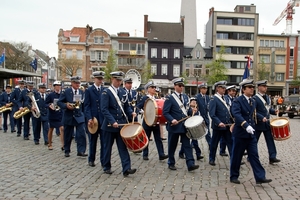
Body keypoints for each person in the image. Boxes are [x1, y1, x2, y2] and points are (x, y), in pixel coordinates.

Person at [230, 79, 272, 184]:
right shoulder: (237, 101)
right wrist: (245, 125)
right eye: (249, 87)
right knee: (237, 156)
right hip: (240, 133)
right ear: (243, 89)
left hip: (251, 134)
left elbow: (253, 114)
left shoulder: (253, 101)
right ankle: (234, 176)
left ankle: (260, 177)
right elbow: (237, 114)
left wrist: (261, 118)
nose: (252, 89)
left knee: (254, 155)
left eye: (253, 87)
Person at [100, 71, 137, 176]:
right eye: (117, 80)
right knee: (107, 147)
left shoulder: (122, 92)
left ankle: (126, 168)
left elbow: (126, 107)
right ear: (112, 79)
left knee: (122, 147)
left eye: (120, 80)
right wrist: (112, 121)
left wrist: (131, 113)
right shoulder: (106, 92)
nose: (119, 82)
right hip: (109, 126)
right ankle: (106, 166)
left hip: (121, 125)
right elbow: (104, 109)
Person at [162, 77, 199, 171]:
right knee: (172, 145)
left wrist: (192, 110)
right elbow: (165, 112)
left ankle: (190, 164)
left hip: (184, 126)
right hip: (174, 126)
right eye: (179, 85)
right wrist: (172, 120)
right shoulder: (169, 98)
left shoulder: (185, 97)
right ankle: (171, 162)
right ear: (175, 86)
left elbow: (186, 111)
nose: (181, 87)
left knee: (187, 145)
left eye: (182, 85)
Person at [136, 81, 168, 161]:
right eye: (152, 87)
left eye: (154, 87)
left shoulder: (156, 99)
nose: (154, 89)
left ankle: (161, 154)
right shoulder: (145, 98)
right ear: (148, 89)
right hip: (147, 121)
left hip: (155, 121)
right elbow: (137, 107)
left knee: (158, 139)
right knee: (146, 138)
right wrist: (142, 111)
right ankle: (145, 154)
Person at [57, 76, 87, 157]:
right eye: (76, 83)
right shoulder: (66, 92)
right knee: (68, 134)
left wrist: (84, 115)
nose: (78, 84)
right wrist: (66, 106)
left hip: (79, 115)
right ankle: (67, 150)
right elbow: (59, 102)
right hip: (69, 115)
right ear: (72, 83)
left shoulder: (81, 92)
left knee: (81, 134)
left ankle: (81, 151)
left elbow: (83, 104)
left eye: (78, 83)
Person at [253, 80, 280, 164]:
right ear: (259, 87)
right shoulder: (255, 98)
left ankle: (272, 157)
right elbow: (253, 111)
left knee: (270, 140)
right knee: (254, 141)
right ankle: (251, 156)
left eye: (266, 86)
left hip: (267, 123)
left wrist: (274, 111)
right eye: (264, 86)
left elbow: (267, 109)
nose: (265, 88)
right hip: (258, 123)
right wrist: (261, 117)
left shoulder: (267, 97)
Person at [208, 81, 233, 166]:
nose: (224, 89)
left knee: (230, 143)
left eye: (224, 88)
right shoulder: (213, 99)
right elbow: (212, 114)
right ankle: (211, 158)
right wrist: (218, 122)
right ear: (217, 88)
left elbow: (228, 111)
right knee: (214, 143)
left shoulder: (225, 98)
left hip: (227, 125)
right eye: (222, 88)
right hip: (218, 126)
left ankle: (234, 159)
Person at [84, 71, 105, 167]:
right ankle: (91, 159)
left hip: (103, 119)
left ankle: (103, 160)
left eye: (101, 79)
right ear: (94, 79)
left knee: (104, 141)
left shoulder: (104, 90)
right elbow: (87, 106)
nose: (100, 80)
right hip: (93, 119)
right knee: (93, 141)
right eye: (98, 79)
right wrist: (89, 118)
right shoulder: (89, 90)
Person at [219, 85, 237, 157]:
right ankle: (222, 150)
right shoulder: (225, 98)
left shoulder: (235, 99)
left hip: (233, 120)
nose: (234, 92)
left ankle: (229, 150)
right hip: (227, 120)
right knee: (224, 137)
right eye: (232, 91)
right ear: (228, 91)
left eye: (235, 91)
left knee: (230, 136)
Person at [46, 81, 64, 150]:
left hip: (60, 114)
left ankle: (63, 145)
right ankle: (49, 143)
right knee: (51, 129)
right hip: (53, 114)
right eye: (57, 85)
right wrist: (49, 105)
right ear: (54, 86)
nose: (58, 87)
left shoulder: (62, 94)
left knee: (62, 128)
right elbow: (45, 103)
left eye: (59, 85)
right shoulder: (50, 95)